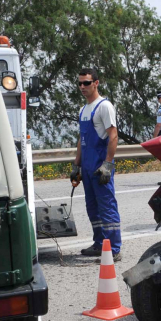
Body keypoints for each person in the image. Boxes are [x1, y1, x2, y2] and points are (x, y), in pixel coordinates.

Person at [70, 68, 122, 260]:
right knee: (93, 208)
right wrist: (76, 165)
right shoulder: (83, 109)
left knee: (107, 207)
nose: (82, 87)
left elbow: (113, 135)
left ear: (96, 83)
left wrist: (108, 164)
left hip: (101, 166)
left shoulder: (104, 106)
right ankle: (100, 243)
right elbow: (82, 139)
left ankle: (114, 249)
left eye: (86, 83)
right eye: (80, 83)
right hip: (87, 167)